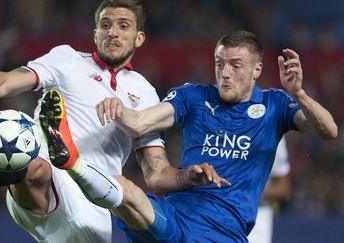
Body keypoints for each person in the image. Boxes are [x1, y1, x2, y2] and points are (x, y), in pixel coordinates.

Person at [0, 1, 227, 242]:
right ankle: (0, 159)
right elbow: (8, 81)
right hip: (45, 172)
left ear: (139, 37)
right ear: (95, 33)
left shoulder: (145, 93)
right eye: (105, 25)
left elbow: (156, 173)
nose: (113, 32)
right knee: (33, 161)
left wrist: (188, 177)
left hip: (91, 202)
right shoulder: (66, 59)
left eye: (123, 26)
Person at [48, 30, 337, 242]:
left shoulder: (274, 106)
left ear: (256, 70)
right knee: (126, 192)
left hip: (224, 232)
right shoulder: (195, 96)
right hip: (176, 216)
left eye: (235, 66)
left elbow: (328, 130)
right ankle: (73, 162)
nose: (224, 73)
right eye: (219, 63)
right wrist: (119, 109)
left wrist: (298, 93)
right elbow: (139, 122)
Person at [248, 138, 291, 243]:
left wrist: (244, 192)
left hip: (257, 226)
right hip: (217, 218)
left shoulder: (274, 130)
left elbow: (283, 189)